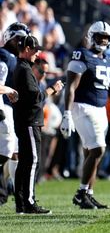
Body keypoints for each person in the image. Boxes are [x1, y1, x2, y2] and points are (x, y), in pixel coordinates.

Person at [60, 21, 110, 210]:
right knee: (98, 149)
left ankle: (88, 194)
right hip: (82, 107)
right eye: (100, 37)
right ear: (91, 37)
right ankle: (81, 192)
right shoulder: (82, 55)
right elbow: (71, 87)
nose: (103, 41)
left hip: (100, 109)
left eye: (106, 38)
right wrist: (66, 113)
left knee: (91, 152)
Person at [13, 35, 64, 214]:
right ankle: (28, 202)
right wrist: (53, 89)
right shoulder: (25, 69)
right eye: (35, 50)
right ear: (27, 49)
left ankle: (21, 201)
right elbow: (36, 98)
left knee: (25, 161)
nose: (38, 53)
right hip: (29, 121)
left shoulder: (23, 67)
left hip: (25, 121)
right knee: (32, 161)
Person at [0, 22, 31, 206]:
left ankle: (15, 189)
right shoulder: (4, 56)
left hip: (13, 109)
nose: (20, 42)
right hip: (4, 107)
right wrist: (11, 91)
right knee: (7, 150)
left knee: (15, 151)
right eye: (17, 38)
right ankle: (10, 191)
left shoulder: (16, 57)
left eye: (23, 39)